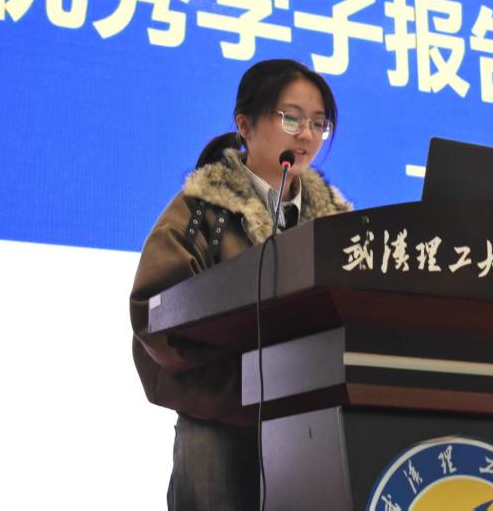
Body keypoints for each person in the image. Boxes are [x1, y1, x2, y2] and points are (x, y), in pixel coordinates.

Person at [129, 58, 352, 511]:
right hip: (220, 420)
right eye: (291, 118)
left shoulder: (337, 225)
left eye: (318, 123)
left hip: (313, 425)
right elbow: (155, 311)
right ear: (245, 125)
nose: (306, 135)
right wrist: (242, 385)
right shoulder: (200, 211)